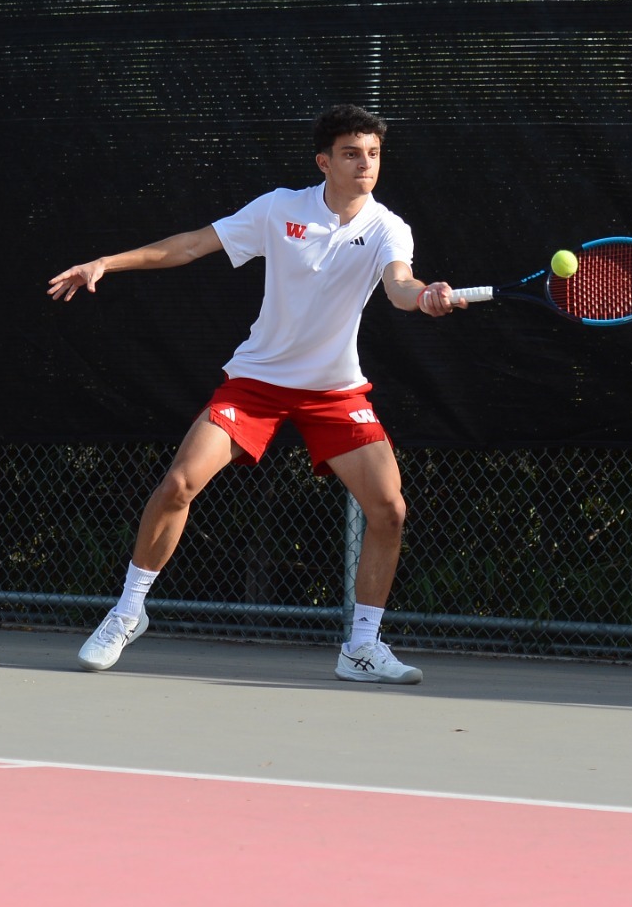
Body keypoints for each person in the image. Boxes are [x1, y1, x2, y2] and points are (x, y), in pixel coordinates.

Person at [45, 105, 459, 682]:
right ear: (324, 162)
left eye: (373, 154)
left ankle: (361, 646)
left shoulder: (389, 226)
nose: (365, 164)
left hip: (335, 391)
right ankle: (128, 611)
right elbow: (191, 245)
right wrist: (105, 263)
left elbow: (400, 286)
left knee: (389, 510)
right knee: (180, 482)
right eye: (351, 154)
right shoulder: (279, 208)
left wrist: (426, 296)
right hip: (258, 383)